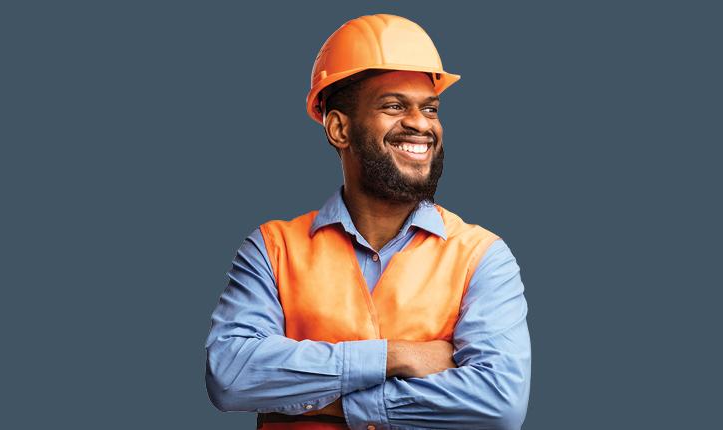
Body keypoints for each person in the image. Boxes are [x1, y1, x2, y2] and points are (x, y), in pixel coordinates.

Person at [205, 14, 531, 430]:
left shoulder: (482, 257)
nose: (420, 123)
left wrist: (327, 403)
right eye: (395, 105)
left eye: (430, 108)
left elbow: (498, 404)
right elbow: (230, 377)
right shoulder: (272, 249)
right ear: (339, 128)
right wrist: (397, 356)